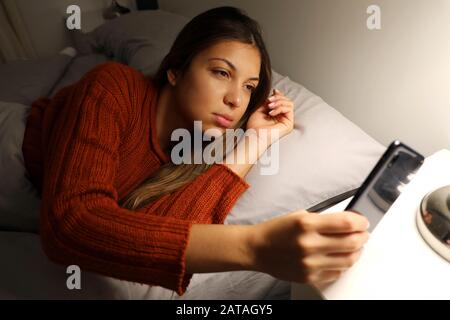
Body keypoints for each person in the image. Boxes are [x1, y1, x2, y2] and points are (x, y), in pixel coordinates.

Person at [22, 6, 369, 297]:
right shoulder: (112, 86)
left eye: (249, 87)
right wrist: (253, 247)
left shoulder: (197, 144)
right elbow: (70, 224)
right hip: (15, 153)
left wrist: (257, 141)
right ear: (175, 71)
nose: (236, 99)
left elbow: (162, 234)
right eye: (221, 72)